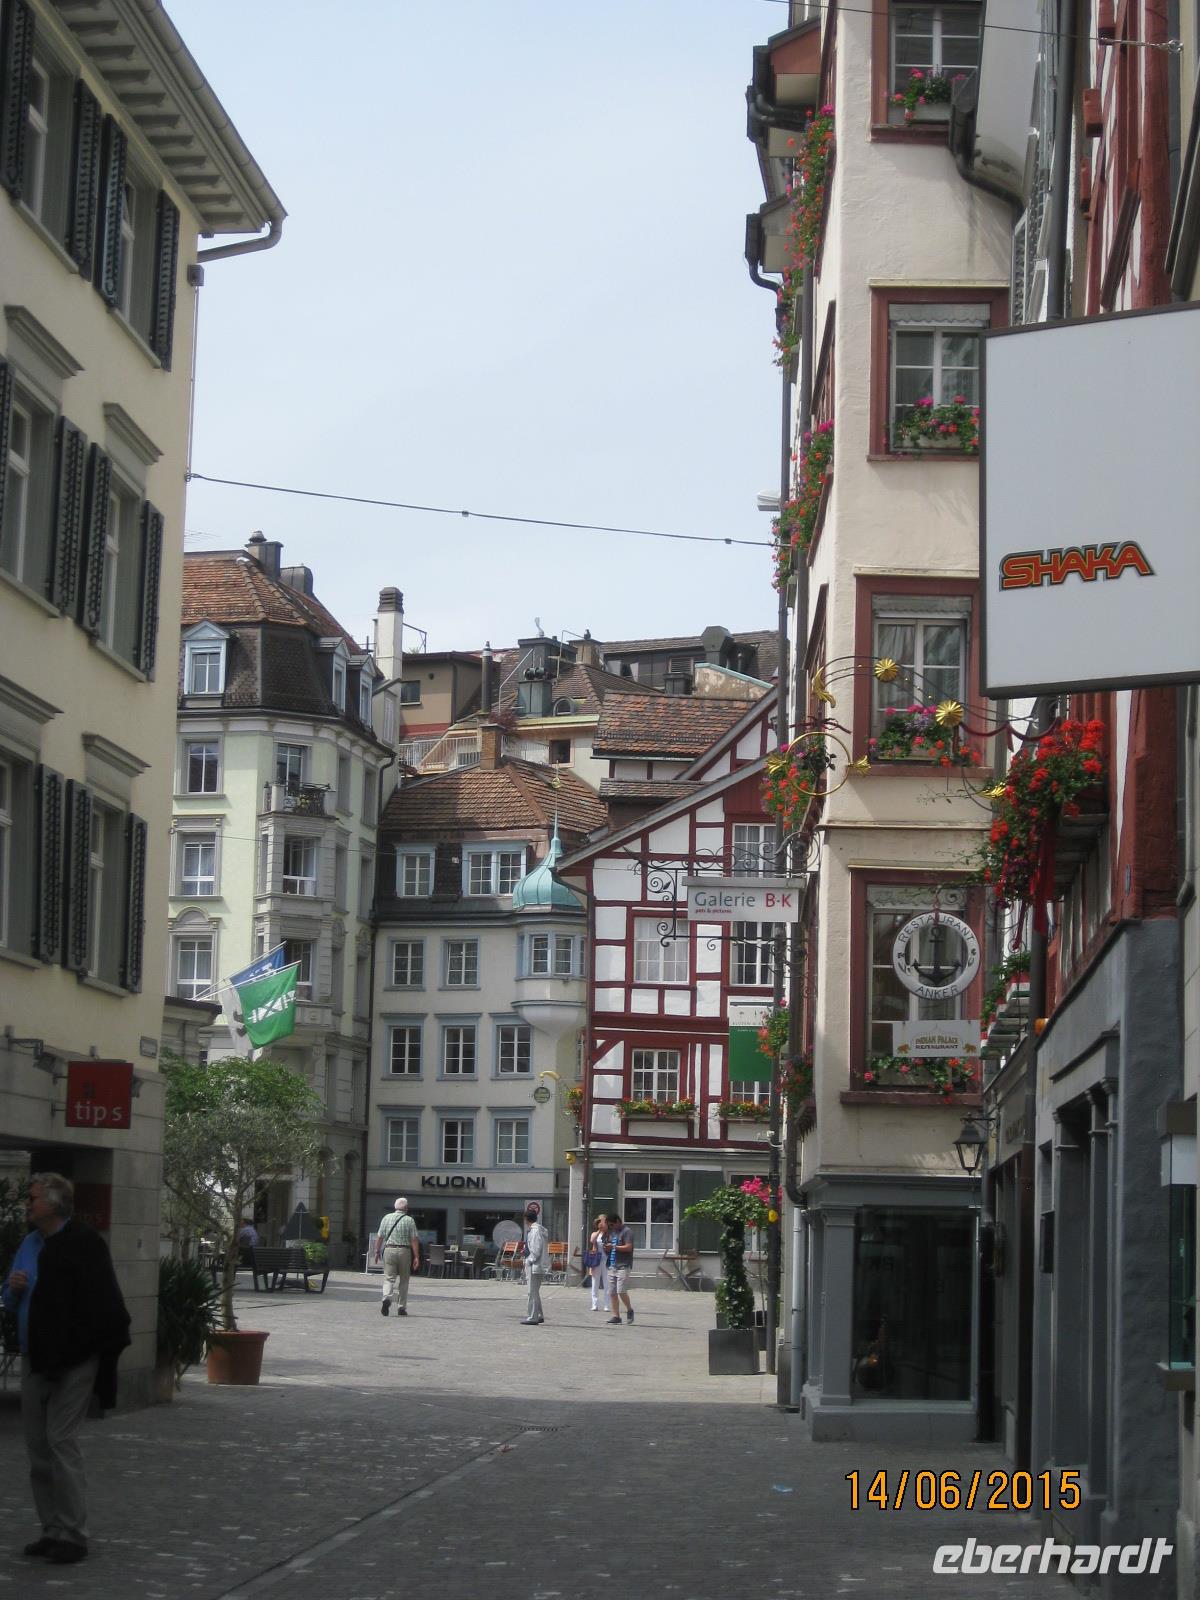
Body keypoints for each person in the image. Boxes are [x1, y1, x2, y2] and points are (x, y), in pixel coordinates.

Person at [1, 1172, 130, 1565]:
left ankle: (74, 1534)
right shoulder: (29, 1242)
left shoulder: (83, 1243)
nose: (28, 1203)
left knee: (60, 1440)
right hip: (36, 1356)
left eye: (34, 1198)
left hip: (74, 1359)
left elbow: (100, 1306)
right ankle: (52, 1528)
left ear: (55, 1204)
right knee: (38, 1447)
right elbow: (8, 1297)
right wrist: (15, 1289)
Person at [374, 1197, 420, 1316]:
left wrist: (377, 1251)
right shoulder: (409, 1220)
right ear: (405, 1208)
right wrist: (416, 1256)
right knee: (404, 1280)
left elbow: (379, 1236)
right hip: (404, 1251)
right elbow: (414, 1239)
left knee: (389, 1278)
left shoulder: (386, 1218)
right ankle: (401, 1307)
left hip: (389, 1249)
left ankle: (387, 1298)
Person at [605, 1210, 635, 1325]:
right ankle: (616, 1316)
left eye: (612, 1225)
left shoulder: (627, 1232)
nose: (611, 1227)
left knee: (621, 1290)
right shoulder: (612, 1233)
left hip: (623, 1265)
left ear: (617, 1222)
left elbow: (628, 1247)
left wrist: (613, 1247)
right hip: (612, 1265)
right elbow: (611, 1246)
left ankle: (629, 1309)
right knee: (612, 1292)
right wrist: (607, 1248)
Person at [520, 1204, 548, 1325]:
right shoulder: (538, 1230)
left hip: (534, 1265)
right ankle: (539, 1314)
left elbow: (536, 1249)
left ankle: (532, 1317)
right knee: (535, 1291)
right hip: (537, 1264)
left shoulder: (535, 1231)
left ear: (526, 1219)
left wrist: (529, 1260)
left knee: (531, 1291)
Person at [584, 1215, 607, 1311]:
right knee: (595, 1282)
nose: (601, 1224)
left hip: (606, 1259)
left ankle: (607, 1304)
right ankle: (595, 1304)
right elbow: (592, 1240)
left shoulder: (609, 1234)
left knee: (607, 1283)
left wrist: (605, 1230)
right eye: (600, 1222)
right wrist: (599, 1230)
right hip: (596, 1259)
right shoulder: (595, 1233)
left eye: (603, 1222)